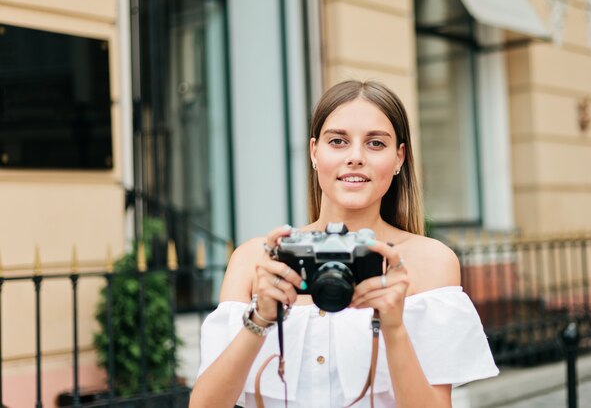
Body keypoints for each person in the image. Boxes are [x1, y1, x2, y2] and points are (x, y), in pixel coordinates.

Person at [190, 80, 498, 408]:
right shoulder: (256, 260)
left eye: (375, 144)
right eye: (337, 141)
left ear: (399, 158)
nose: (355, 157)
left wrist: (393, 327)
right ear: (314, 152)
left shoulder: (429, 262)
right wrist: (261, 318)